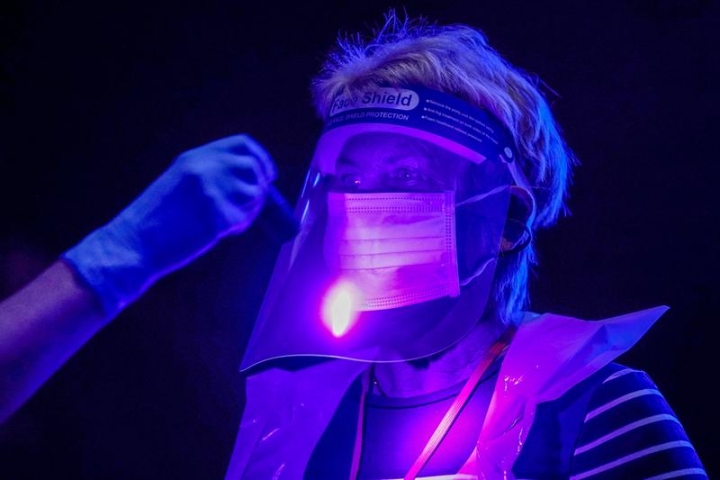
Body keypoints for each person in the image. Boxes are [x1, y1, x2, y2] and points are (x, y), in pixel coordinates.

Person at [0, 11, 708, 480]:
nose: (362, 208)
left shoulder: (589, 405)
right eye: (349, 179)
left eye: (405, 177)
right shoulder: (297, 416)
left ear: (507, 218)